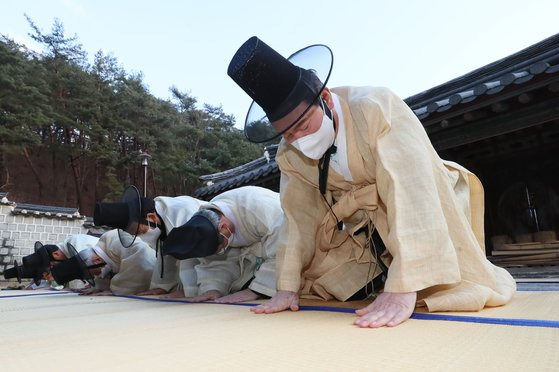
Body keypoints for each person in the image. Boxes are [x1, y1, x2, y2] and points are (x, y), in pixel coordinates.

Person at [227, 36, 516, 327]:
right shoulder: (290, 155)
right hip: (367, 224)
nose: (299, 141)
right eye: (288, 134)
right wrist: (286, 286)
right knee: (320, 284)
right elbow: (297, 217)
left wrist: (403, 286)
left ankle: (410, 273)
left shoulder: (375, 108)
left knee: (454, 287)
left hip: (429, 201)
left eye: (302, 125)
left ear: (325, 98)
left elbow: (410, 187)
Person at [161, 186, 283, 303]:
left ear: (223, 227)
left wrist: (257, 290)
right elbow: (216, 261)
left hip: (291, 244)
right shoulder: (209, 221)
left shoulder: (260, 207)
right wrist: (213, 289)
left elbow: (283, 249)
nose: (220, 252)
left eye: (219, 248)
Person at [94, 185, 205, 296]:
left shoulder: (183, 213)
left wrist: (188, 290)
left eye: (140, 232)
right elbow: (166, 258)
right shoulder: (161, 225)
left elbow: (192, 257)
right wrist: (161, 287)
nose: (141, 237)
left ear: (151, 217)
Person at [50, 229, 156, 295]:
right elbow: (104, 275)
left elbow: (143, 261)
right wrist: (98, 287)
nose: (98, 276)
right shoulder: (104, 252)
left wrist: (116, 290)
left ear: (97, 260)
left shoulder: (115, 241)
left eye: (94, 273)